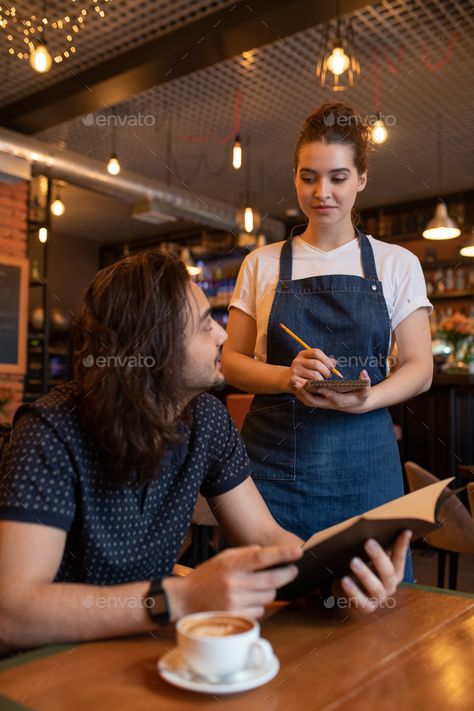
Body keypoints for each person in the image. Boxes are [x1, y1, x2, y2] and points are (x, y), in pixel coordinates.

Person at [0, 250, 411, 650]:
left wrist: (332, 579)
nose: (223, 335)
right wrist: (182, 597)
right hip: (47, 661)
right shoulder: (50, 432)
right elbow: (13, 613)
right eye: (203, 326)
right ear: (152, 349)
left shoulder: (207, 420)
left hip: (146, 647)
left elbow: (266, 536)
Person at [222, 103, 433, 572]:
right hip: (273, 467)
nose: (322, 193)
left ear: (361, 178)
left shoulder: (397, 263)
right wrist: (286, 376)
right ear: (295, 177)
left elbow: (420, 369)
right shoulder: (262, 263)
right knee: (266, 605)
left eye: (338, 177)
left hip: (366, 462)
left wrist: (367, 398)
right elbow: (231, 361)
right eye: (308, 176)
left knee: (376, 613)